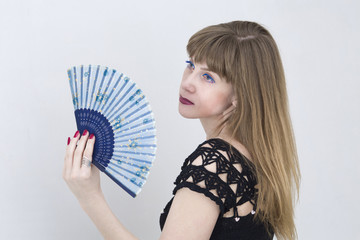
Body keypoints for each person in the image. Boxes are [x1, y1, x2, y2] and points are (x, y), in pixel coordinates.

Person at [63, 20, 300, 240]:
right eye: (191, 65)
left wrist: (90, 197)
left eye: (207, 77)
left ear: (239, 95)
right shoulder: (259, 156)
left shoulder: (214, 164)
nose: (188, 83)